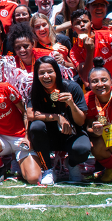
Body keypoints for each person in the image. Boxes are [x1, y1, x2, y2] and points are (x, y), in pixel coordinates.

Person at [26, 57, 90, 185]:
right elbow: (30, 114)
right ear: (37, 75)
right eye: (41, 73)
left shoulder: (72, 87)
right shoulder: (36, 89)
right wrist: (57, 117)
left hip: (71, 133)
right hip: (48, 137)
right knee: (36, 127)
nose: (46, 76)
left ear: (57, 72)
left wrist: (71, 104)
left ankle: (71, 164)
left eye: (50, 71)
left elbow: (81, 121)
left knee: (83, 149)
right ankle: (47, 170)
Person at [69, 9, 112, 89]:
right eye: (77, 23)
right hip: (98, 88)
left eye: (85, 21)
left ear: (91, 24)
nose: (82, 25)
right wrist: (90, 52)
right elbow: (86, 79)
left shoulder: (109, 36)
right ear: (73, 28)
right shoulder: (74, 51)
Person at [0, 23, 44, 103]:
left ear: (32, 44)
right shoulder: (10, 65)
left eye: (26, 46)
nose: (22, 50)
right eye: (18, 48)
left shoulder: (46, 55)